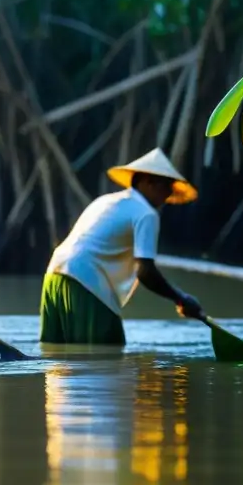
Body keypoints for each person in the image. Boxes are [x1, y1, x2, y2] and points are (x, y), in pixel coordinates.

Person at [40, 147, 204, 345]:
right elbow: (146, 272)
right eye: (166, 185)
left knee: (56, 358)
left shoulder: (106, 200)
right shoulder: (146, 213)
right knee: (109, 351)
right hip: (87, 282)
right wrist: (181, 298)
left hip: (54, 274)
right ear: (146, 182)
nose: (169, 193)